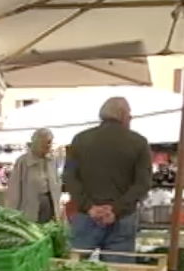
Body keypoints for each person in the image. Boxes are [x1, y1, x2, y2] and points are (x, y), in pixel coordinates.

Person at [63, 96, 152, 255]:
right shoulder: (139, 142)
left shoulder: (80, 139)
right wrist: (115, 209)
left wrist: (89, 207)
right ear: (123, 115)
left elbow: (69, 178)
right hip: (122, 219)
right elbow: (143, 183)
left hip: (85, 217)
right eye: (130, 115)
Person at [6, 128, 60, 222]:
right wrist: (12, 213)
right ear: (37, 143)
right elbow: (14, 190)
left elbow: (57, 183)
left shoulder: (52, 160)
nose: (49, 146)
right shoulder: (23, 161)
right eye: (46, 143)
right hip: (30, 206)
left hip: (49, 204)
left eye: (50, 143)